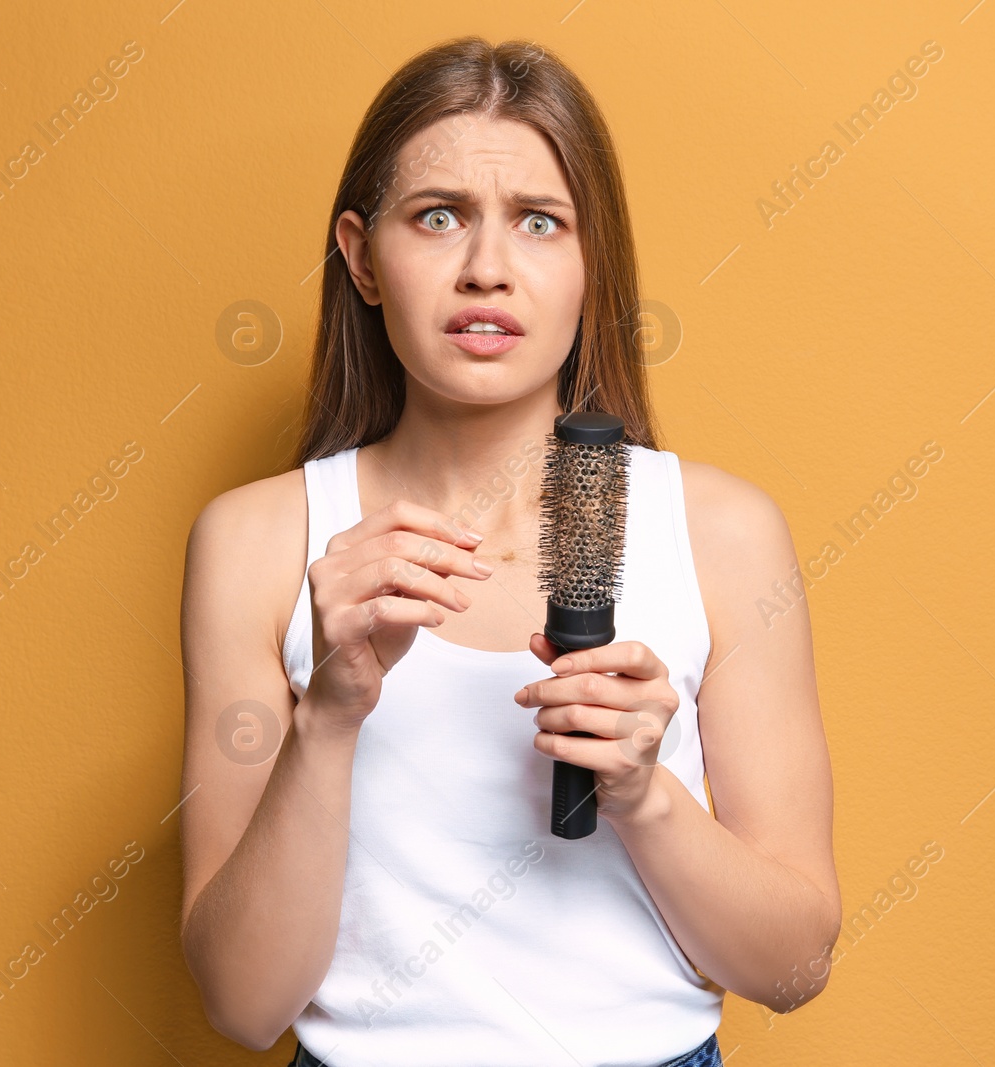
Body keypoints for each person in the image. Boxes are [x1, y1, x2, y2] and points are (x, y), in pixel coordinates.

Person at [179, 36, 839, 1067]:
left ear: (592, 263)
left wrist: (644, 793)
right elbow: (244, 1000)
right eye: (436, 217)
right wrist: (332, 713)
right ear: (359, 255)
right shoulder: (256, 542)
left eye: (540, 222)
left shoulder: (721, 532)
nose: (485, 267)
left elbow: (794, 969)